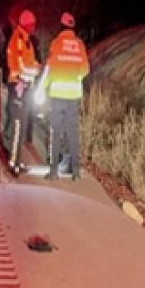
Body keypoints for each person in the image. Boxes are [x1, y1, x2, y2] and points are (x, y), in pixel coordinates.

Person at [39, 12, 90, 181]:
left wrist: (41, 89)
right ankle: (75, 171)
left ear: (61, 26)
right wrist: (75, 77)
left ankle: (54, 171)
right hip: (73, 95)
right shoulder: (79, 44)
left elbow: (49, 69)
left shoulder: (56, 43)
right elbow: (85, 69)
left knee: (56, 132)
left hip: (57, 95)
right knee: (72, 132)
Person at [4, 9, 41, 176]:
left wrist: (36, 66)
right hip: (19, 86)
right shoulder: (19, 40)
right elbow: (20, 67)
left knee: (22, 125)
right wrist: (36, 70)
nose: (34, 27)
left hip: (25, 87)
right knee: (18, 125)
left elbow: (29, 62)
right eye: (32, 24)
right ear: (26, 24)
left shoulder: (26, 40)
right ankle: (13, 163)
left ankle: (18, 160)